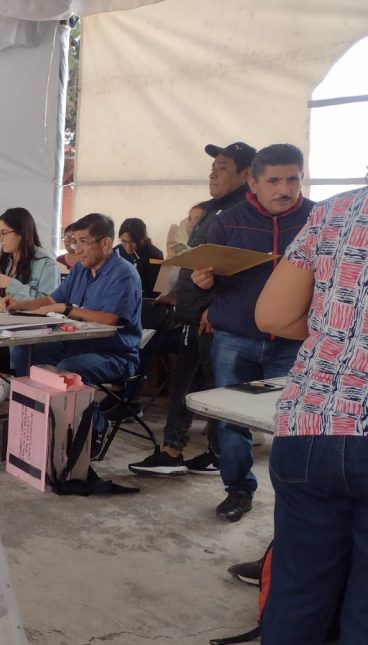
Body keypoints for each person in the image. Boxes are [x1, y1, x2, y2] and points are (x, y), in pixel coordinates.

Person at [237, 185, 368, 645]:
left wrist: (339, 336)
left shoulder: (336, 210)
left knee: (298, 581)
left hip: (311, 422)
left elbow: (272, 315)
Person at [191, 143, 314, 522]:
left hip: (296, 342)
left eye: (292, 179)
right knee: (232, 420)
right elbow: (206, 274)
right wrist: (203, 281)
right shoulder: (227, 221)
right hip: (235, 339)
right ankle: (238, 490)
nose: (284, 189)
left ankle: (297, 501)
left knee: (296, 423)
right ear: (253, 182)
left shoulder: (319, 219)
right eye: (274, 181)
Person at [128, 141, 256, 478]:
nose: (213, 173)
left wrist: (215, 308)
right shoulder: (215, 209)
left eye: (222, 167)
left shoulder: (243, 214)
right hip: (193, 315)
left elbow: (240, 272)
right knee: (188, 384)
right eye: (213, 167)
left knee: (215, 389)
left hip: (213, 320)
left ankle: (215, 454)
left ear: (246, 174)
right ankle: (175, 452)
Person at [0, 213, 142, 444]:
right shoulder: (80, 269)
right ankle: (44, 416)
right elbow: (51, 299)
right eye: (74, 242)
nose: (77, 249)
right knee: (23, 353)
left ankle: (96, 427)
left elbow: (110, 319)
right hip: (75, 345)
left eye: (83, 242)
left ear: (105, 243)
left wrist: (67, 309)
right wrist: (19, 304)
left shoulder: (123, 274)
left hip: (114, 353)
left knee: (69, 369)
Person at [0, 207, 60, 301]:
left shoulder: (46, 263)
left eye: (3, 233)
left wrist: (10, 284)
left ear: (22, 232)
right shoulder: (2, 258)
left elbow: (50, 302)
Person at [112, 218, 163, 295]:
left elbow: (155, 290)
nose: (128, 247)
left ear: (143, 239)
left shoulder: (154, 255)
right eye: (124, 241)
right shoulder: (116, 252)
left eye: (133, 241)